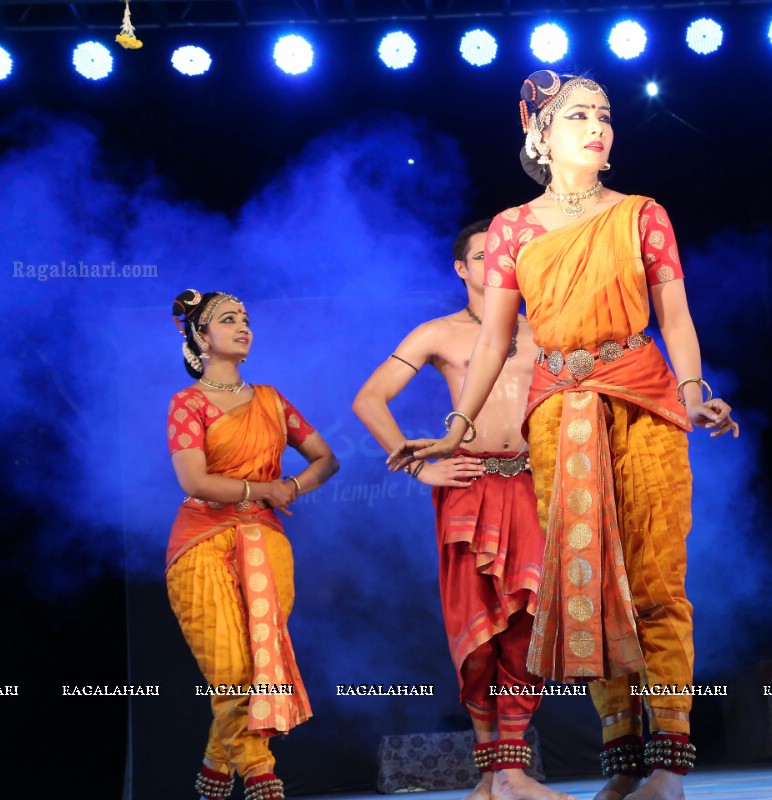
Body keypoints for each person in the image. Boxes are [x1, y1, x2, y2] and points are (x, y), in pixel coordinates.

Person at [400, 70, 739, 800]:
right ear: (540, 135)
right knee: (589, 586)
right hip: (556, 411)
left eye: (605, 114)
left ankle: (669, 768)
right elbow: (492, 343)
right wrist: (455, 429)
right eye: (577, 115)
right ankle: (622, 762)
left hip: (642, 394)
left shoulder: (644, 214)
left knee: (654, 580)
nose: (597, 126)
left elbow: (675, 317)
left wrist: (693, 393)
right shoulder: (511, 230)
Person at [352, 220, 574, 800]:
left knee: (529, 626)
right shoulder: (437, 334)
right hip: (469, 486)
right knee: (476, 636)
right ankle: (490, 777)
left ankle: (511, 773)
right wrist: (421, 465)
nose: (497, 267)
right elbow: (368, 400)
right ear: (462, 268)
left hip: (532, 486)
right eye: (483, 258)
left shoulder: (544, 332)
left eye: (508, 258)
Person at [166, 290, 338, 800]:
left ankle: (216, 772)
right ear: (200, 336)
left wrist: (293, 487)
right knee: (233, 671)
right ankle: (264, 782)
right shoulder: (187, 404)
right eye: (228, 320)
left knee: (261, 665)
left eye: (245, 319)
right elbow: (196, 481)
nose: (243, 327)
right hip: (202, 543)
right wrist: (263, 489)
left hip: (267, 544)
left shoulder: (271, 400)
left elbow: (326, 460)